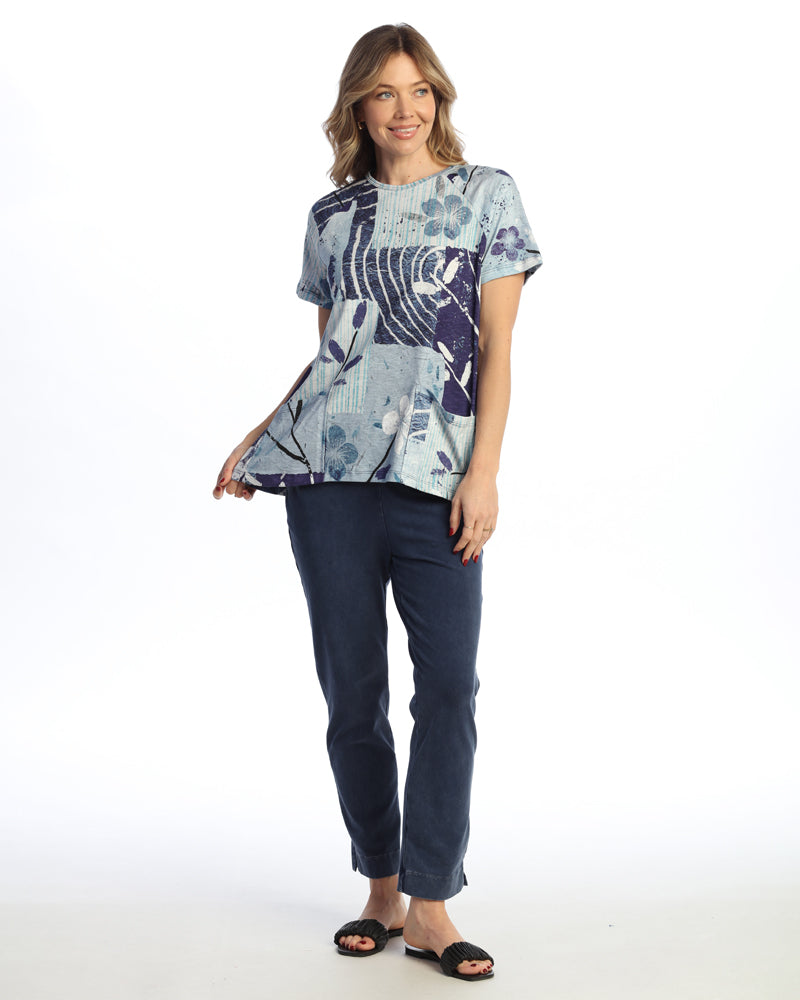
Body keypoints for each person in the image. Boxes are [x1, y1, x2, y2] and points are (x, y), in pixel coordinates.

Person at [213, 23, 541, 982]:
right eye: (386, 92)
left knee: (448, 689)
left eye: (421, 90)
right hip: (330, 482)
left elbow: (498, 348)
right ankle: (383, 888)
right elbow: (336, 358)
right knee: (352, 694)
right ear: (357, 105)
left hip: (439, 479)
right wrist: (260, 434)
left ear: (439, 100)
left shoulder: (487, 196)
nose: (406, 109)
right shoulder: (332, 216)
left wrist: (484, 473)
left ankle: (433, 904)